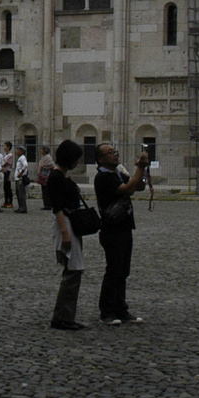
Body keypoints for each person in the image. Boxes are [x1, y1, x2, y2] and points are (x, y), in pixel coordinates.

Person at [93, 142, 151, 326]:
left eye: (115, 151)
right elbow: (127, 189)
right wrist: (140, 167)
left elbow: (138, 187)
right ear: (101, 159)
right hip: (112, 228)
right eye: (110, 153)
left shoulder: (118, 172)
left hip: (124, 226)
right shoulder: (103, 177)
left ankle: (121, 308)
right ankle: (107, 310)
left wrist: (141, 171)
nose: (115, 155)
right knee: (114, 270)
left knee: (123, 271)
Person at [45, 139, 89, 331]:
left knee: (74, 270)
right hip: (66, 224)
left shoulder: (61, 175)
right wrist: (65, 233)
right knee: (73, 269)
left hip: (71, 223)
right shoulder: (55, 177)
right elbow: (58, 207)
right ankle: (62, 317)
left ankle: (65, 315)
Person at [12, 146, 30, 213]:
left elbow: (25, 165)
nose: (16, 152)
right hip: (18, 178)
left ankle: (23, 207)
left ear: (21, 151)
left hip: (20, 178)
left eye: (18, 150)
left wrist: (21, 173)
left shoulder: (22, 158)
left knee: (21, 193)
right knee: (18, 193)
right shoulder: (20, 158)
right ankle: (20, 207)